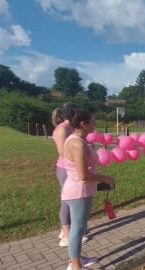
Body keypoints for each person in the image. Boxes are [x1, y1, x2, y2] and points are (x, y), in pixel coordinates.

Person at [62, 109, 115, 270]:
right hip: (79, 192)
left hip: (80, 190)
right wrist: (105, 178)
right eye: (92, 121)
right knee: (77, 230)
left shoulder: (80, 141)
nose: (95, 123)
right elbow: (83, 175)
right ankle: (76, 266)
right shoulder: (77, 144)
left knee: (79, 228)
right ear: (83, 124)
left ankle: (77, 260)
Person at [52, 103, 88, 247]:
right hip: (65, 168)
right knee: (67, 200)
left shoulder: (71, 128)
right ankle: (66, 234)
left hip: (73, 167)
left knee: (72, 200)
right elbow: (63, 152)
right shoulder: (62, 129)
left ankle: (70, 229)